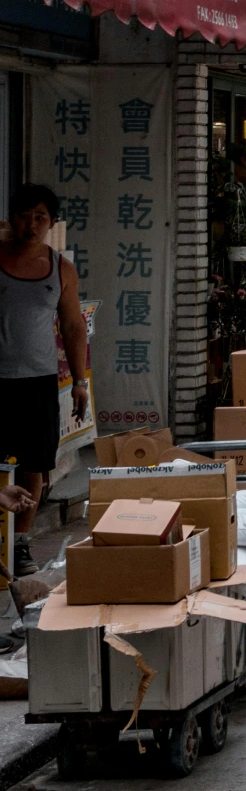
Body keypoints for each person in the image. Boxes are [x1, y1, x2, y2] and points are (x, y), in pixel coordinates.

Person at [1, 183, 88, 577]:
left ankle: (20, 542)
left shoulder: (60, 268)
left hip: (38, 381)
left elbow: (72, 326)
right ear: (11, 219)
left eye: (40, 217)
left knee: (33, 466)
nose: (30, 224)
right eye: (23, 215)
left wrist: (80, 382)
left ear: (52, 223)